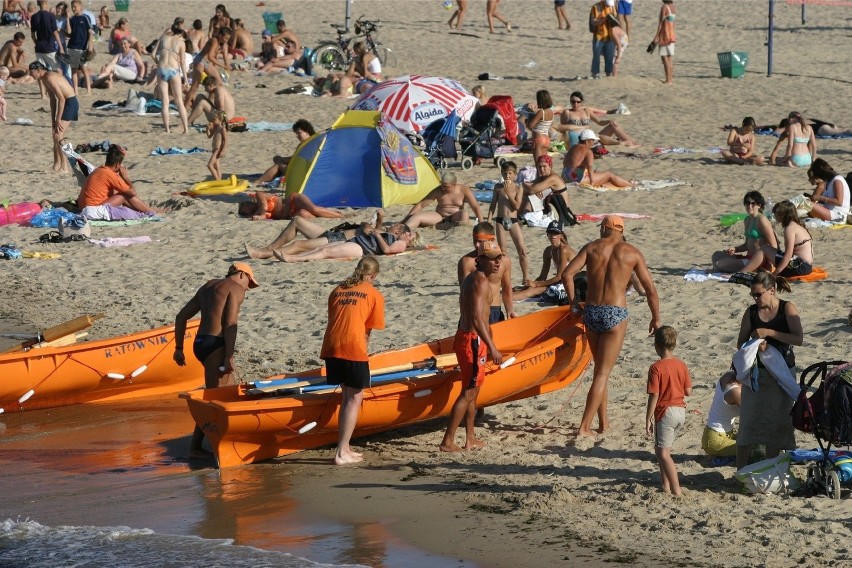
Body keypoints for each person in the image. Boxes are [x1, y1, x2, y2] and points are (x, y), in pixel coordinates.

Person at [561, 215, 661, 438]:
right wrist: (656, 317)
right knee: (603, 373)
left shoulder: (592, 248)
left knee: (600, 371)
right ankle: (584, 427)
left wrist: (573, 302)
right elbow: (650, 289)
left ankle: (603, 424)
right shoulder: (632, 252)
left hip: (592, 311)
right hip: (615, 312)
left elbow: (567, 274)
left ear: (605, 228)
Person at [174, 261, 259, 458]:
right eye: (249, 282)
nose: (248, 287)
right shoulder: (236, 288)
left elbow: (181, 317)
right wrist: (228, 356)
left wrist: (179, 348)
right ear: (241, 274)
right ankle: (196, 447)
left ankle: (230, 438)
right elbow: (230, 323)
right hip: (216, 345)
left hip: (200, 343)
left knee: (226, 392)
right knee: (215, 398)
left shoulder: (208, 286)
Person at [440, 240, 504, 452]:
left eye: (500, 258)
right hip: (473, 340)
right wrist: (492, 346)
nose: (498, 263)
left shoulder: (473, 278)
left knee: (473, 392)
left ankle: (470, 437)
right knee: (468, 392)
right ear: (481, 260)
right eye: (493, 259)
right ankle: (448, 441)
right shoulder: (479, 281)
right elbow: (477, 318)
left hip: (469, 339)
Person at [320, 256, 385, 465]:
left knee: (347, 394)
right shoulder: (373, 294)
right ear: (373, 276)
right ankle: (341, 451)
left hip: (331, 346)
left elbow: (335, 319)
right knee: (354, 398)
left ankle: (345, 447)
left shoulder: (338, 290)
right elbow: (366, 332)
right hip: (352, 347)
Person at [735, 270, 802, 470]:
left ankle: (769, 467)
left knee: (778, 424)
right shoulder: (752, 312)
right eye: (753, 295)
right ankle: (741, 470)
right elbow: (740, 343)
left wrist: (770, 333)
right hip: (757, 376)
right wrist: (755, 344)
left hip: (781, 374)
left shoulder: (787, 308)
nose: (755, 298)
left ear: (771, 290)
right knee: (748, 423)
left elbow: (798, 338)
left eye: (758, 294)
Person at [645, 325, 692, 496]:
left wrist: (648, 417)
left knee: (664, 453)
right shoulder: (681, 365)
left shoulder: (656, 367)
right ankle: (665, 485)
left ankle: (676, 489)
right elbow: (688, 391)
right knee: (662, 448)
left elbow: (654, 395)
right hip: (681, 411)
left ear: (656, 346)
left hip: (665, 411)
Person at [245, 213, 383, 259]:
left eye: (397, 226)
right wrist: (379, 220)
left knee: (298, 245)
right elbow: (372, 232)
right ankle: (267, 248)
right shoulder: (382, 231)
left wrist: (368, 224)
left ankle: (261, 255)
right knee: (297, 220)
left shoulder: (386, 234)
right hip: (334, 234)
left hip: (339, 240)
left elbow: (367, 230)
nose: (396, 224)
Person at [458, 222, 517, 324]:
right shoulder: (467, 262)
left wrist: (510, 309)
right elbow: (465, 294)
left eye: (480, 242)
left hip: (495, 311)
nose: (477, 245)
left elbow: (507, 287)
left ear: (492, 240)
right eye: (474, 241)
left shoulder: (504, 261)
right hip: (475, 310)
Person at [275, 223, 417, 262]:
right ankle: (293, 256)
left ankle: (292, 258)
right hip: (355, 241)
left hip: (359, 248)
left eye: (410, 235)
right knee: (323, 247)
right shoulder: (391, 236)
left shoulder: (401, 244)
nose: (407, 233)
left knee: (325, 252)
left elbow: (387, 250)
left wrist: (377, 235)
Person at [711, 191, 778, 274]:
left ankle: (720, 270)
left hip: (758, 261)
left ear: (759, 205)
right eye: (747, 203)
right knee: (716, 255)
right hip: (748, 257)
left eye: (753, 203)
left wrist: (770, 264)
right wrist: (736, 249)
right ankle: (720, 269)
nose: (750, 206)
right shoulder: (747, 220)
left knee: (719, 264)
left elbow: (773, 246)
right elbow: (748, 244)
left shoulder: (762, 220)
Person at [76, 143, 155, 213]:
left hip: (83, 207)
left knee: (118, 194)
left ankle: (145, 209)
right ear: (117, 165)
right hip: (92, 209)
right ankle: (150, 211)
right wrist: (125, 177)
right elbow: (132, 192)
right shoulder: (109, 174)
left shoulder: (99, 170)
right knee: (124, 195)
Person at [28, 61, 76, 172]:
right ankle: (57, 163)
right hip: (64, 103)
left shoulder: (49, 77)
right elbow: (53, 100)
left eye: (32, 73)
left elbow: (62, 98)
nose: (31, 75)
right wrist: (53, 119)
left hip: (70, 102)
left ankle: (65, 166)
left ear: (39, 70)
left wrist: (58, 119)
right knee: (54, 133)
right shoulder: (43, 78)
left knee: (58, 135)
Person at [487, 161, 530, 286]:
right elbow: (493, 204)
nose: (508, 176)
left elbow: (516, 206)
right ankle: (504, 279)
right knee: (503, 252)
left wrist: (508, 193)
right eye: (505, 173)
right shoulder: (498, 188)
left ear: (515, 175)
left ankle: (525, 277)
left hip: (513, 220)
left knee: (522, 250)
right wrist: (489, 220)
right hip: (500, 220)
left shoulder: (518, 188)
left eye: (510, 173)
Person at [514, 221, 577, 300]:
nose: (553, 236)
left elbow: (559, 277)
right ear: (547, 234)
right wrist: (531, 284)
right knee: (524, 289)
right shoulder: (548, 251)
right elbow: (543, 276)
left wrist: (536, 284)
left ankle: (499, 300)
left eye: (556, 233)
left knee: (531, 291)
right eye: (550, 233)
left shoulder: (564, 250)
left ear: (561, 235)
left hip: (573, 283)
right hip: (562, 282)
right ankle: (501, 297)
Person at [402, 172, 483, 229]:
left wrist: (481, 222)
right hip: (439, 216)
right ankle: (404, 229)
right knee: (417, 217)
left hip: (456, 215)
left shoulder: (464, 189)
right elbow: (421, 205)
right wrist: (405, 219)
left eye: (446, 186)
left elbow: (475, 206)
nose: (442, 188)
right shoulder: (438, 190)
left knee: (464, 215)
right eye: (441, 185)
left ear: (454, 184)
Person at [559, 91, 638, 147]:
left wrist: (609, 120)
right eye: (573, 102)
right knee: (598, 136)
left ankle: (631, 142)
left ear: (582, 102)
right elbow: (562, 129)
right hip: (577, 139)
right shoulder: (567, 113)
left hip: (591, 137)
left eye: (578, 102)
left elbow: (599, 122)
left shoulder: (587, 111)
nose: (575, 104)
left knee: (612, 125)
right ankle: (621, 142)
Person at [562, 129, 634, 187]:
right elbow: (590, 166)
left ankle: (625, 183)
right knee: (609, 175)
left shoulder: (573, 147)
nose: (594, 143)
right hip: (576, 179)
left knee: (597, 174)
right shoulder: (588, 151)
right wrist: (592, 181)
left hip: (565, 176)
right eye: (593, 140)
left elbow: (566, 162)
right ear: (587, 140)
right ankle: (631, 185)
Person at [153, 21, 189, 134]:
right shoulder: (181, 42)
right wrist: (186, 79)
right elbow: (182, 62)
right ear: (181, 33)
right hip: (173, 70)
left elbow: (153, 54)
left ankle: (167, 129)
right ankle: (186, 129)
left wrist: (158, 63)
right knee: (179, 101)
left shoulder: (163, 37)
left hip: (162, 69)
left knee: (165, 102)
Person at [255, 119, 315, 185]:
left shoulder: (309, 144)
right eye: (296, 133)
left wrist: (280, 159)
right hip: (309, 173)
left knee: (278, 164)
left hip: (305, 175)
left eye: (299, 133)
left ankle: (258, 182)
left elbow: (295, 160)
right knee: (280, 163)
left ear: (306, 131)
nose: (297, 136)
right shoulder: (314, 141)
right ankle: (262, 180)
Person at [185, 26, 231, 106]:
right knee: (195, 86)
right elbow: (210, 56)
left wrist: (227, 65)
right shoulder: (214, 40)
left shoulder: (223, 44)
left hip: (207, 62)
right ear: (220, 35)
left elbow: (224, 56)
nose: (226, 40)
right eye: (226, 38)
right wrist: (222, 66)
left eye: (228, 39)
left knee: (218, 83)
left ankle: (209, 103)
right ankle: (185, 107)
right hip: (200, 60)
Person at [701, 370, 741, 459]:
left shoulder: (728, 375)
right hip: (715, 440)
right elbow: (750, 414)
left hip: (717, 434)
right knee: (755, 448)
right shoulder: (735, 391)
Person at [519, 154, 571, 219]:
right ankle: (518, 215)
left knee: (532, 196)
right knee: (524, 195)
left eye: (544, 166)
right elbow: (530, 185)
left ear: (550, 166)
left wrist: (524, 184)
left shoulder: (553, 178)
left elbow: (531, 190)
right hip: (553, 206)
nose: (542, 169)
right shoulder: (544, 177)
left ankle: (523, 215)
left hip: (562, 210)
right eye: (539, 167)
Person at [770, 201, 813, 278]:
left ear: (783, 215)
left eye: (777, 213)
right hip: (807, 267)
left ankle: (744, 271)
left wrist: (775, 274)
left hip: (800, 266)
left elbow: (788, 255)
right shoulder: (797, 225)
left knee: (765, 249)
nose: (775, 216)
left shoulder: (790, 228)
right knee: (770, 250)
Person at [30, 0, 63, 98]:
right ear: (47, 2)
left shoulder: (34, 17)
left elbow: (33, 35)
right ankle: (60, 88)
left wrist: (37, 43)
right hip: (49, 47)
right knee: (57, 69)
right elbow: (55, 33)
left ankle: (43, 94)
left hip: (39, 47)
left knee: (40, 71)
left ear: (37, 3)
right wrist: (60, 47)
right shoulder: (51, 16)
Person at [237, 191, 343, 221]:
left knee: (313, 209)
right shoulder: (264, 214)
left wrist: (257, 215)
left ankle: (341, 216)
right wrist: (258, 217)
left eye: (245, 205)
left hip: (293, 200)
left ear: (249, 202)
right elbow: (263, 216)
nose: (247, 208)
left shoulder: (259, 196)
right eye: (245, 211)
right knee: (305, 215)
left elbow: (264, 207)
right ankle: (331, 214)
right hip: (292, 213)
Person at [807, 158, 850, 223]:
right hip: (829, 211)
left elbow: (839, 202)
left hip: (838, 215)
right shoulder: (829, 182)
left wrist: (820, 198)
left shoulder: (837, 181)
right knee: (804, 203)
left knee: (805, 204)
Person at [64, 0, 93, 96]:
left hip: (82, 48)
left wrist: (90, 46)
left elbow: (90, 32)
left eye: (75, 6)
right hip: (72, 47)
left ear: (80, 6)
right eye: (72, 7)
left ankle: (88, 90)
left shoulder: (85, 18)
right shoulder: (72, 19)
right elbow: (69, 32)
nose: (73, 9)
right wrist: (67, 18)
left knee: (85, 70)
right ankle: (75, 90)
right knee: (74, 70)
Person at [588, 0, 615, 78]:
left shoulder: (613, 6)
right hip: (598, 36)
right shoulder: (595, 7)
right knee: (596, 57)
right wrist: (603, 19)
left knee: (609, 58)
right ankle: (595, 74)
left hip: (610, 37)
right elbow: (593, 22)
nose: (608, 6)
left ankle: (608, 76)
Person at [527, 89, 554, 162]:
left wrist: (530, 114)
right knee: (545, 163)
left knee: (538, 164)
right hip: (546, 139)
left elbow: (530, 126)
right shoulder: (551, 112)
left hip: (539, 138)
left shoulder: (541, 112)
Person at [653, 0, 676, 84]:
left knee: (664, 57)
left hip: (665, 34)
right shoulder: (673, 7)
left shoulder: (664, 7)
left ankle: (668, 80)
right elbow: (673, 22)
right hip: (672, 34)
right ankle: (670, 79)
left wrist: (656, 37)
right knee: (669, 57)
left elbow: (660, 23)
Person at [205, 109, 228, 181]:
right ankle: (219, 180)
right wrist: (207, 129)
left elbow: (225, 141)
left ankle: (217, 180)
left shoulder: (222, 129)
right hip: (214, 149)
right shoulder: (215, 128)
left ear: (220, 120)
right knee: (217, 166)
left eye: (214, 119)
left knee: (210, 165)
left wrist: (223, 151)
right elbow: (209, 136)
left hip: (218, 149)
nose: (212, 121)